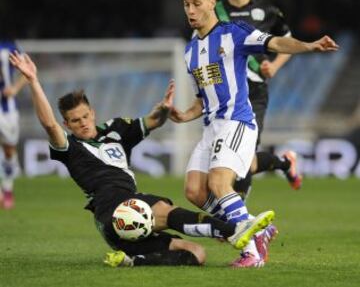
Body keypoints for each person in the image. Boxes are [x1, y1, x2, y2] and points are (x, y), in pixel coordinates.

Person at [9, 51, 275, 268]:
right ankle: (234, 230)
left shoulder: (115, 130)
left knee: (196, 254)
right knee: (163, 209)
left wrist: (163, 109)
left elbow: (152, 122)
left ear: (93, 112)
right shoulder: (69, 147)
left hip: (128, 216)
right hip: (113, 209)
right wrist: (33, 81)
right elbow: (48, 124)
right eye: (75, 121)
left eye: (85, 116)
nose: (83, 124)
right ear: (67, 124)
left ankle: (133, 260)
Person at [170, 0, 338, 267]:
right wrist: (184, 115)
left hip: (236, 121)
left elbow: (275, 43)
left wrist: (309, 46)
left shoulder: (233, 33)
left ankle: (253, 252)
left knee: (220, 183)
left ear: (212, 2)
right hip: (211, 126)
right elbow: (202, 98)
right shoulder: (190, 51)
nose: (191, 11)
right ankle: (250, 225)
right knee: (194, 191)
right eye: (186, 5)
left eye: (197, 3)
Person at [217, 0, 301, 197]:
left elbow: (288, 42)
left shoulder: (267, 12)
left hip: (254, 91)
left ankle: (239, 217)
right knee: (231, 157)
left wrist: (274, 66)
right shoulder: (214, 13)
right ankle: (285, 163)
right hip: (224, 93)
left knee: (244, 154)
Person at [0, 41, 27, 209]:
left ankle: (8, 188)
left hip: (7, 110)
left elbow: (27, 70)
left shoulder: (8, 47)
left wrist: (15, 88)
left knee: (9, 150)